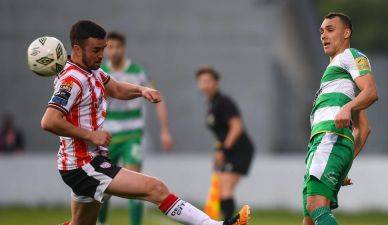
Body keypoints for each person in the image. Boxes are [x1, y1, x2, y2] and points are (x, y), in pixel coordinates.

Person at [40, 20, 250, 225]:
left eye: (102, 49)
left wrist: (141, 90)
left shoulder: (92, 70)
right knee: (155, 188)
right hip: (82, 165)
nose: (101, 55)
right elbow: (49, 121)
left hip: (88, 160)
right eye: (96, 50)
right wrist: (90, 135)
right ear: (77, 49)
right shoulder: (71, 81)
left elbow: (116, 89)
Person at [303, 12, 378, 225]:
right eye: (321, 31)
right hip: (321, 146)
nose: (323, 35)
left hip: (329, 139)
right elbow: (364, 129)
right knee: (309, 218)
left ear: (346, 33)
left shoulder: (351, 56)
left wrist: (347, 107)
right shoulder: (339, 77)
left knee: (316, 206)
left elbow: (371, 91)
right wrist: (343, 165)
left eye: (330, 29)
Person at [97, 32, 174, 225]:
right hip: (107, 136)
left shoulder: (138, 71)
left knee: (136, 185)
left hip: (133, 135)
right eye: (110, 47)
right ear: (106, 50)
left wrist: (164, 130)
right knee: (103, 186)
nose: (114, 51)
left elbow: (158, 99)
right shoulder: (100, 72)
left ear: (124, 48)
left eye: (118, 47)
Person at [195, 66, 254, 221]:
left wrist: (223, 150)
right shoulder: (211, 104)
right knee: (222, 190)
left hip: (239, 149)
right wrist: (218, 151)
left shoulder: (223, 102)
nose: (205, 85)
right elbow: (220, 134)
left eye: (208, 81)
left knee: (226, 189)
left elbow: (237, 127)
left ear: (216, 82)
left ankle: (230, 222)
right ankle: (225, 221)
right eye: (202, 81)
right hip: (228, 150)